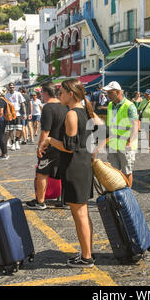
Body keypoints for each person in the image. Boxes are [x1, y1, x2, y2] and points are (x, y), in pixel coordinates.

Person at [40, 79, 104, 268]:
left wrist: (50, 139)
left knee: (80, 214)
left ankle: (86, 257)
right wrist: (93, 152)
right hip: (82, 165)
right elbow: (104, 130)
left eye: (61, 92)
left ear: (71, 94)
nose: (59, 94)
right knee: (82, 213)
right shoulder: (85, 112)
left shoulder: (72, 115)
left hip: (74, 167)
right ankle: (87, 253)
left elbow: (69, 147)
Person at [27, 82, 68, 210]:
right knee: (63, 173)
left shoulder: (48, 108)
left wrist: (40, 147)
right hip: (64, 144)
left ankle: (40, 201)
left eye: (41, 93)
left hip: (50, 146)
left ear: (45, 93)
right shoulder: (65, 106)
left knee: (42, 173)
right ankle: (64, 200)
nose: (40, 96)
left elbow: (45, 131)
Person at [93, 81, 139, 188]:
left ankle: (128, 195)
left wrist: (130, 142)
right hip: (113, 144)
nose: (107, 95)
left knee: (127, 172)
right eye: (107, 93)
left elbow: (135, 126)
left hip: (126, 144)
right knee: (114, 171)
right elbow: (110, 126)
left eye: (109, 93)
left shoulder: (129, 106)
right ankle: (117, 195)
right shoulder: (110, 105)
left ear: (118, 92)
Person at [5, 83, 26, 151]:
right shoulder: (6, 95)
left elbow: (22, 104)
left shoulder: (18, 94)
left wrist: (25, 113)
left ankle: (17, 141)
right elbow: (5, 105)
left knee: (19, 129)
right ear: (9, 88)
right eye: (10, 87)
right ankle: (13, 142)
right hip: (10, 114)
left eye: (13, 87)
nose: (12, 88)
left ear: (14, 87)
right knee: (10, 129)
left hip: (17, 113)